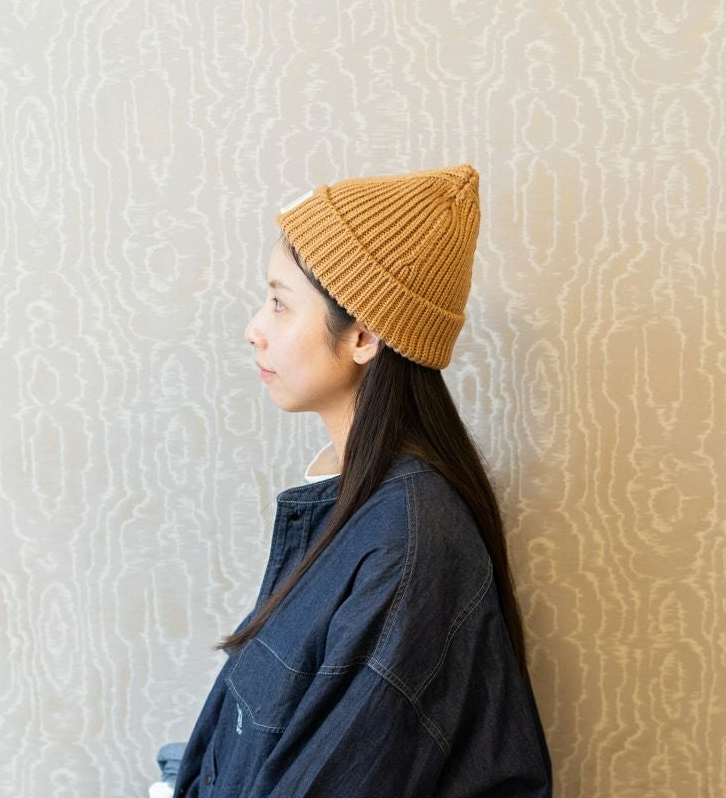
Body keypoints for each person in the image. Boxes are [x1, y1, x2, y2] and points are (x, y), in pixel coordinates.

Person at [169, 165, 552, 797]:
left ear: (364, 336)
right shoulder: (357, 504)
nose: (254, 329)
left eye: (279, 304)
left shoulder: (405, 547)